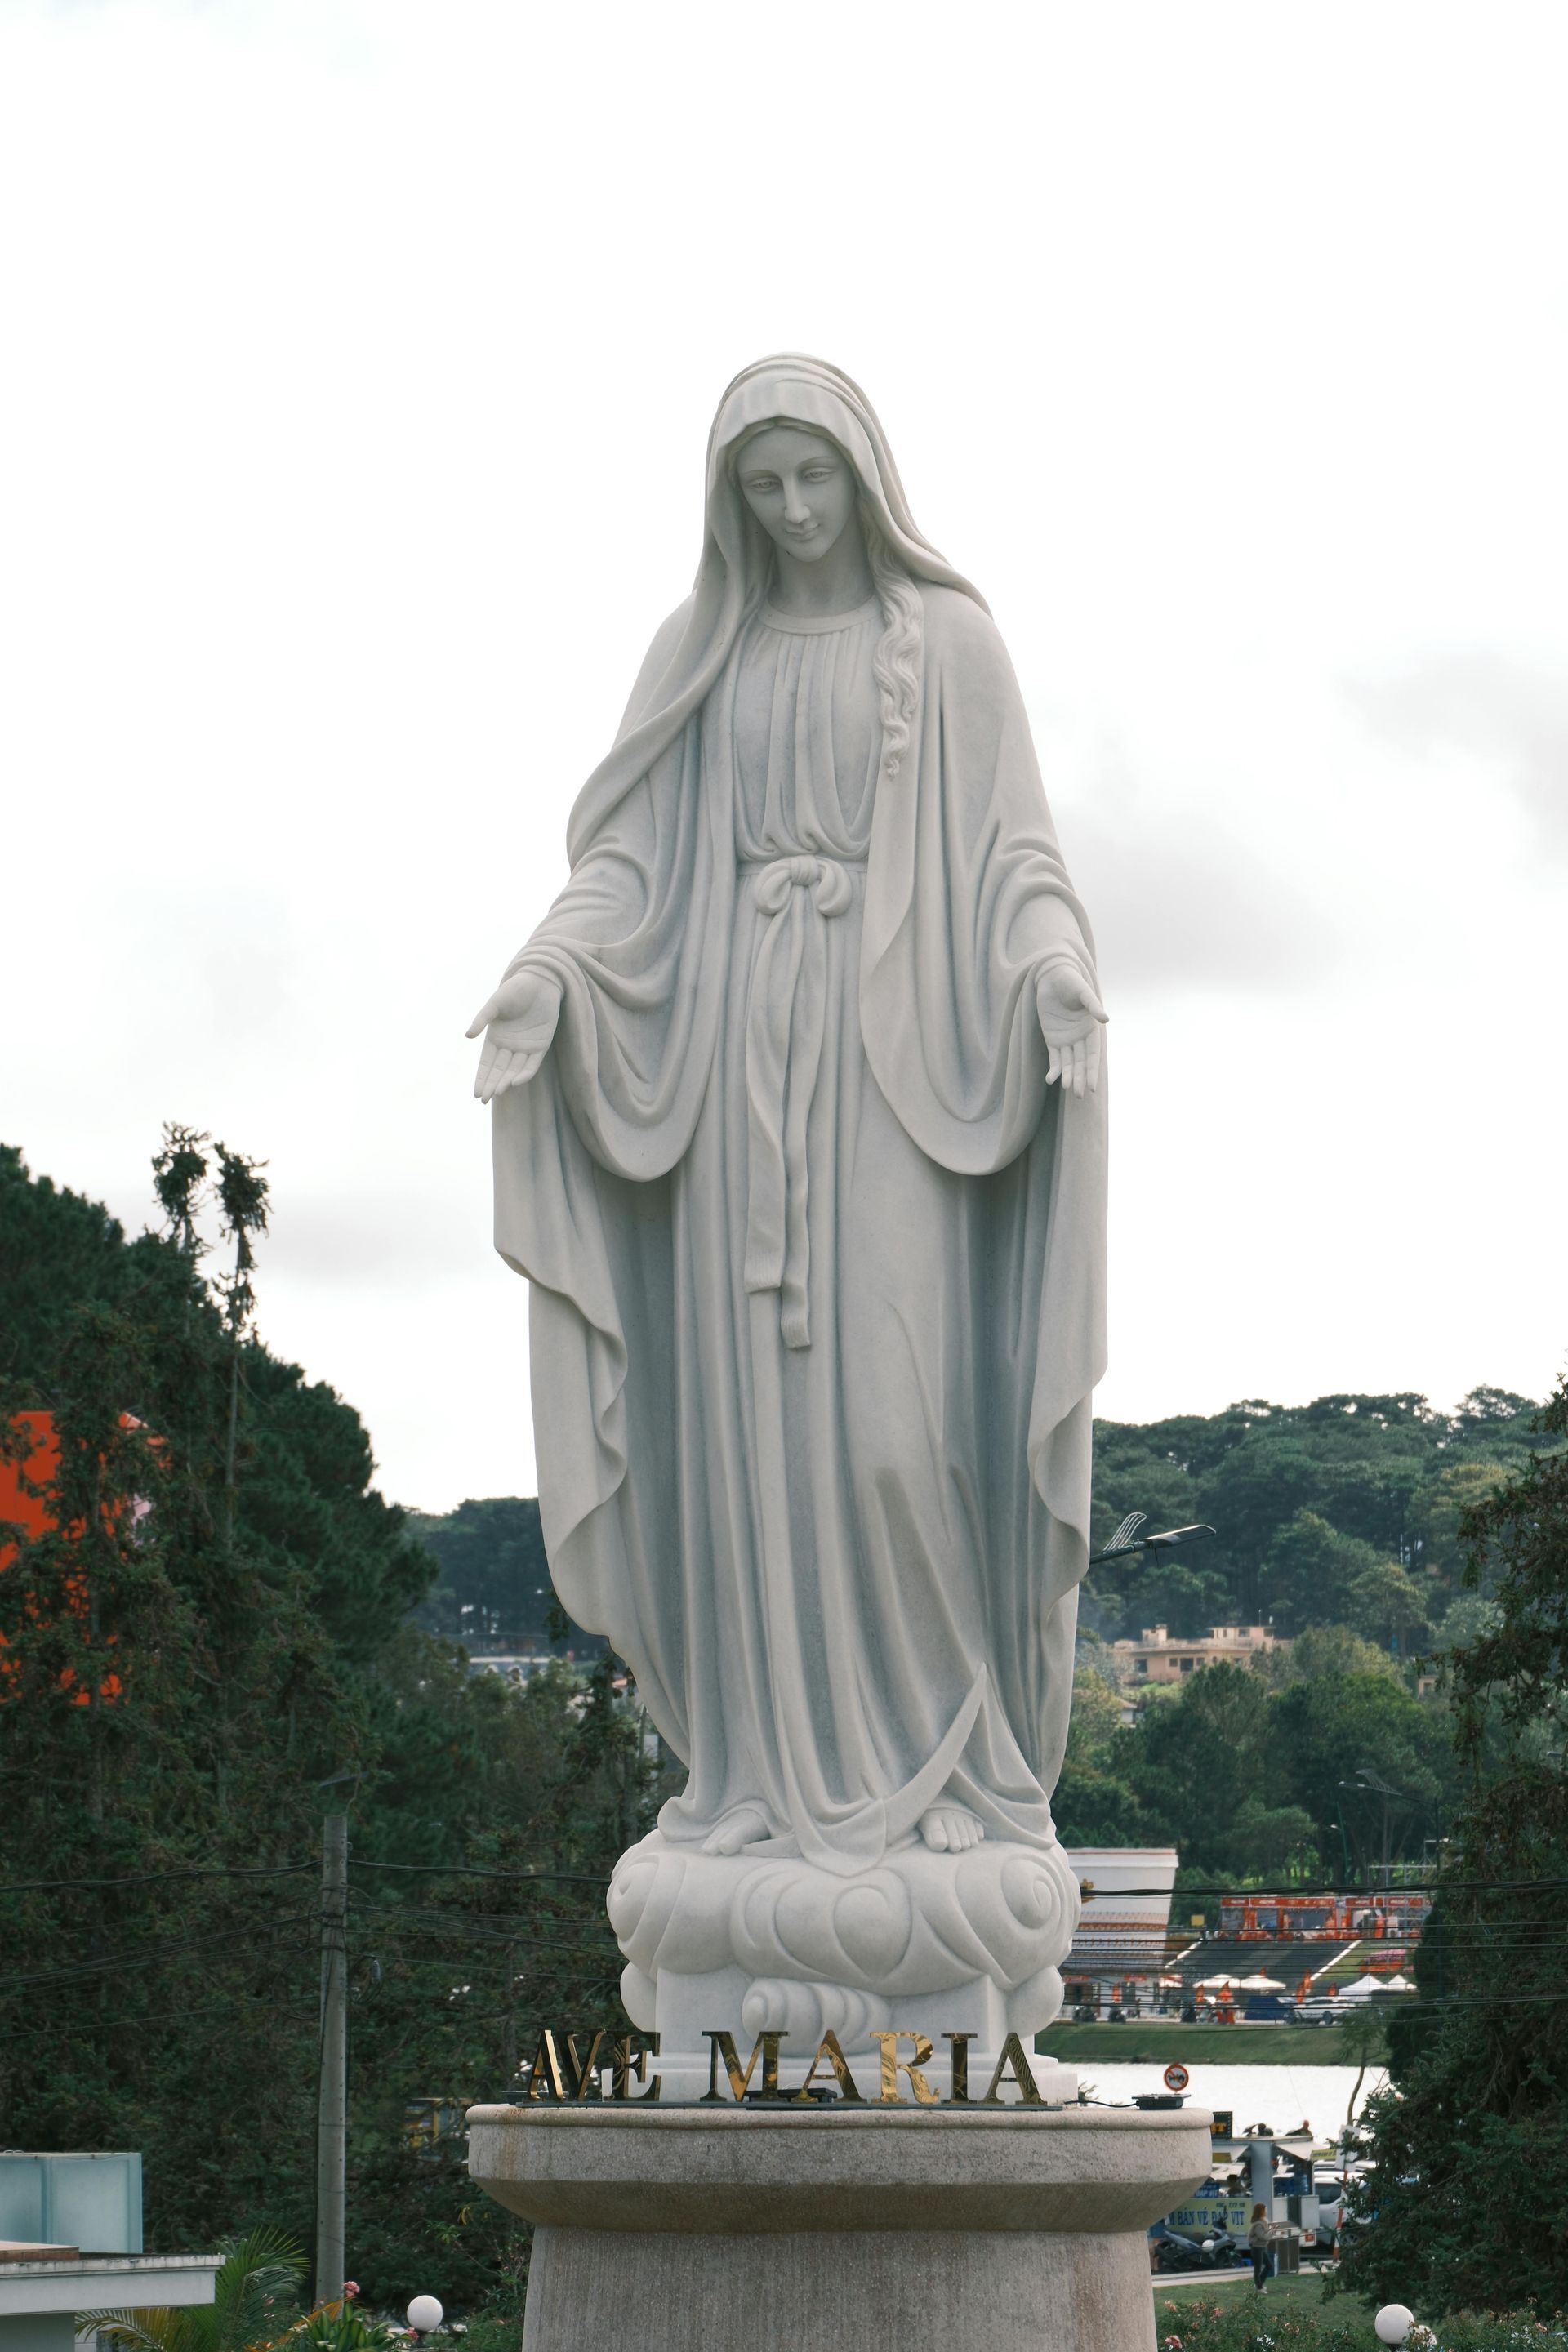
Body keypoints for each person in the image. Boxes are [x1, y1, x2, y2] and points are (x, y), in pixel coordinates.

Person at [470, 356, 1108, 2031]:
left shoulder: (950, 648)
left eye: (815, 478)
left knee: (895, 1434)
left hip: (897, 1070)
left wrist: (1053, 975)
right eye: (764, 488)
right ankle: (758, 1778)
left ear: (865, 475)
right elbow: (624, 870)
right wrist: (548, 974)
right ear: (731, 503)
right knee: (745, 1451)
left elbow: (1017, 857)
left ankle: (941, 1786)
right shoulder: (704, 658)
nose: (796, 513)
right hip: (736, 1069)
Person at [1249, 2203, 1273, 2292]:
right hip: (1257, 2247)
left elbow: (1265, 2234)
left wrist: (1271, 2229)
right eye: (1265, 2209)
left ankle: (1259, 2284)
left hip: (1262, 2247)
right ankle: (1259, 2287)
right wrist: (1273, 2232)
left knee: (1269, 2265)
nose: (1267, 2211)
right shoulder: (1258, 2224)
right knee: (1258, 2268)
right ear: (1261, 2211)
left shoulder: (1263, 2221)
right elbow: (1262, 2237)